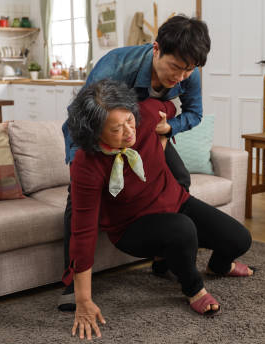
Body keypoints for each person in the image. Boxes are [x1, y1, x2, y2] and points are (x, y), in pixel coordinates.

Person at [65, 80, 254, 340]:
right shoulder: (86, 165)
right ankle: (193, 289)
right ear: (95, 133)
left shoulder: (148, 114)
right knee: (182, 230)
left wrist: (167, 129)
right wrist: (83, 299)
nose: (128, 132)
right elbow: (83, 232)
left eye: (129, 120)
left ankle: (218, 266)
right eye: (116, 129)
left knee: (240, 239)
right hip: (132, 228)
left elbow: (169, 109)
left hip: (175, 202)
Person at [59, 14, 212, 310]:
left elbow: (194, 114)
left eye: (189, 70)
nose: (181, 76)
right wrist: (80, 168)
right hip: (107, 135)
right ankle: (69, 284)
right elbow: (79, 119)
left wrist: (169, 129)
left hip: (144, 134)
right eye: (176, 67)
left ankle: (165, 257)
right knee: (75, 203)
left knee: (180, 179)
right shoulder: (113, 68)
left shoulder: (188, 73)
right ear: (156, 49)